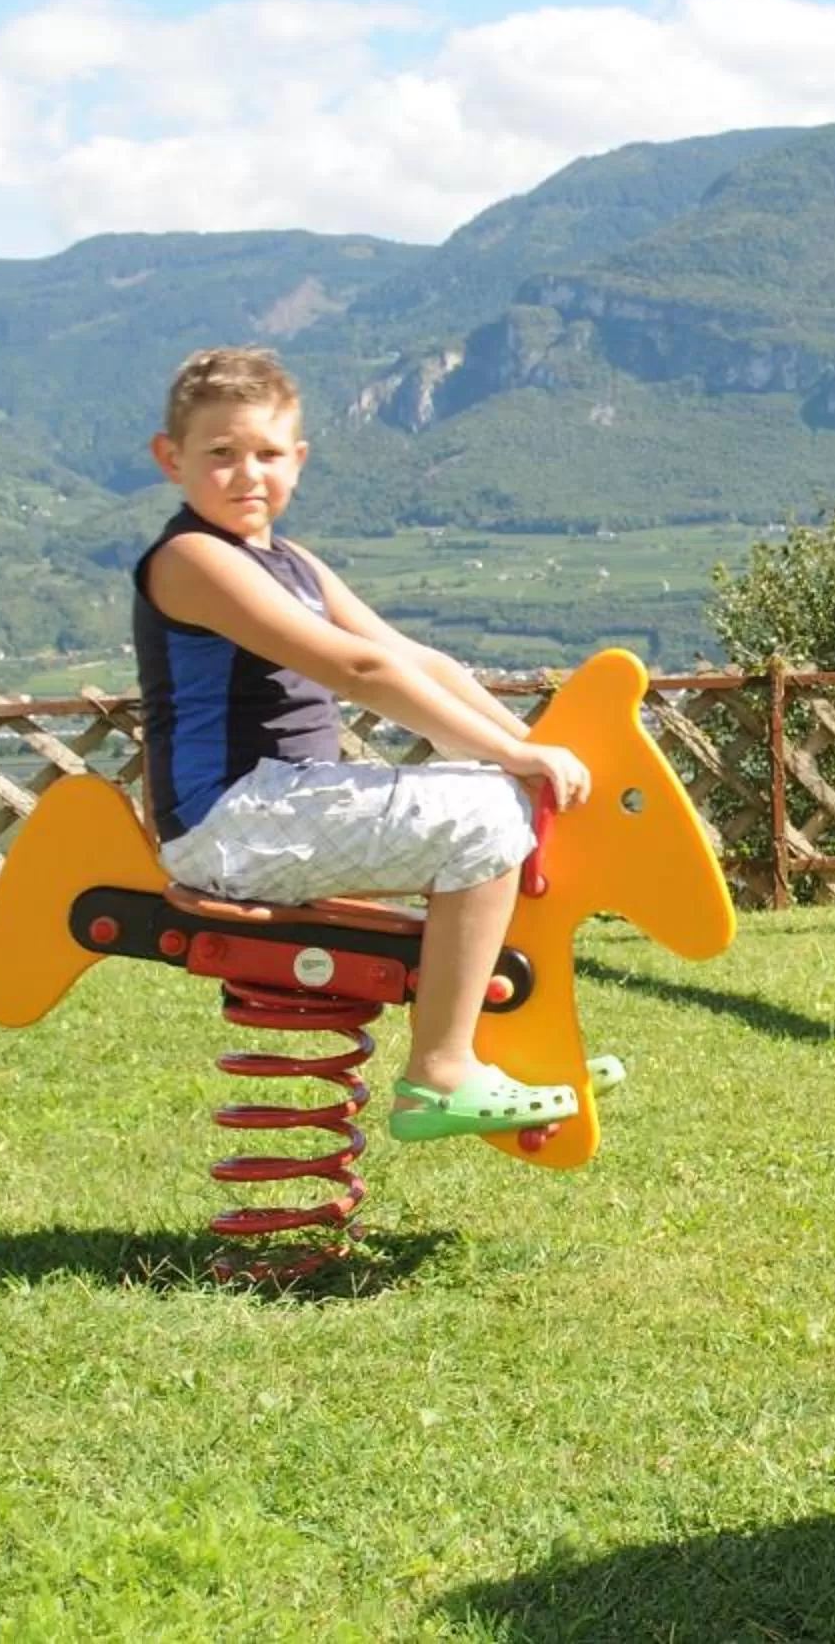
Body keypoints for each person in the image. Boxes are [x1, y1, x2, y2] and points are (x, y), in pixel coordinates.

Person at [136, 346, 590, 1142]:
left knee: (499, 794)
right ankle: (440, 1071)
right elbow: (358, 667)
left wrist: (530, 744)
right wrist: (508, 759)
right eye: (221, 455)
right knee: (482, 815)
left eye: (269, 454)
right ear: (170, 460)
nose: (249, 474)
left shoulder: (293, 562)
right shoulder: (191, 560)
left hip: (281, 805)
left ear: (300, 460)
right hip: (230, 820)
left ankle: (492, 1050)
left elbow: (420, 659)